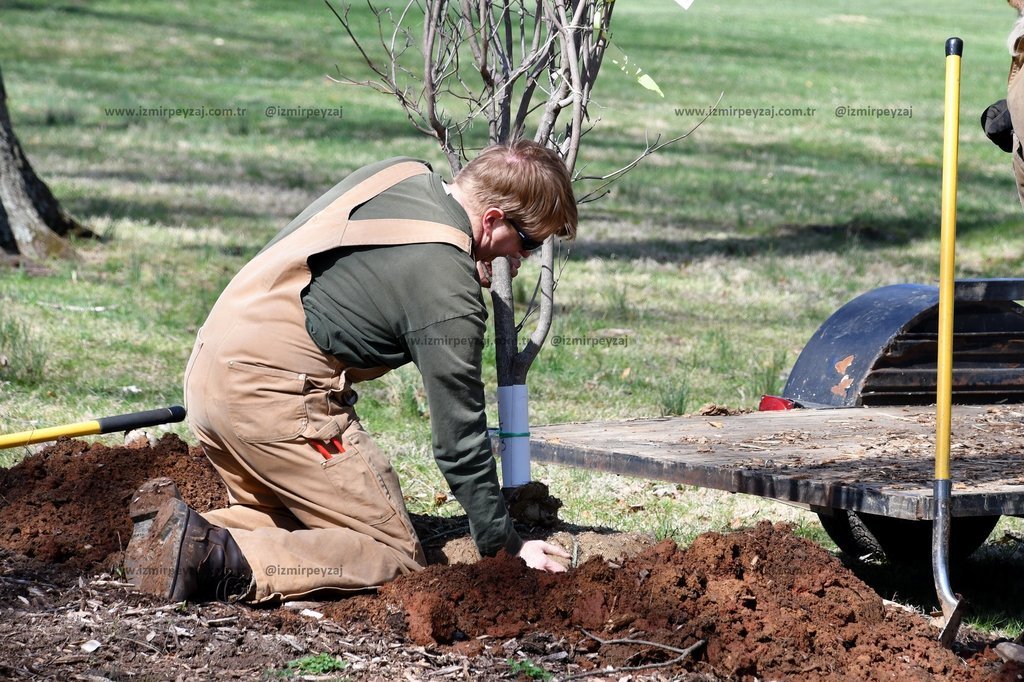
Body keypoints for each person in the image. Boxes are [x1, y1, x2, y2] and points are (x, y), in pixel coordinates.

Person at [125, 139, 576, 603]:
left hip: (211, 370)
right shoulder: (448, 290)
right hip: (275, 397)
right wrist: (506, 548)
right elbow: (459, 442)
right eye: (529, 242)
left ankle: (174, 536)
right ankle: (209, 560)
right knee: (391, 551)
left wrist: (467, 258)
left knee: (299, 520)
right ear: (493, 219)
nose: (524, 258)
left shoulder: (399, 174)